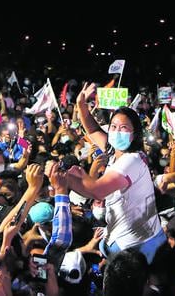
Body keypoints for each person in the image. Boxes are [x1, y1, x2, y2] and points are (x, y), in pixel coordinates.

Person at [63, 82, 165, 264]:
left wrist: (69, 178)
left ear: (135, 133)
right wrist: (81, 105)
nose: (117, 131)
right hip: (126, 237)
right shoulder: (115, 152)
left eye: (124, 128)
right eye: (114, 127)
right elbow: (93, 130)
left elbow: (97, 191)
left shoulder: (131, 160)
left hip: (138, 245)